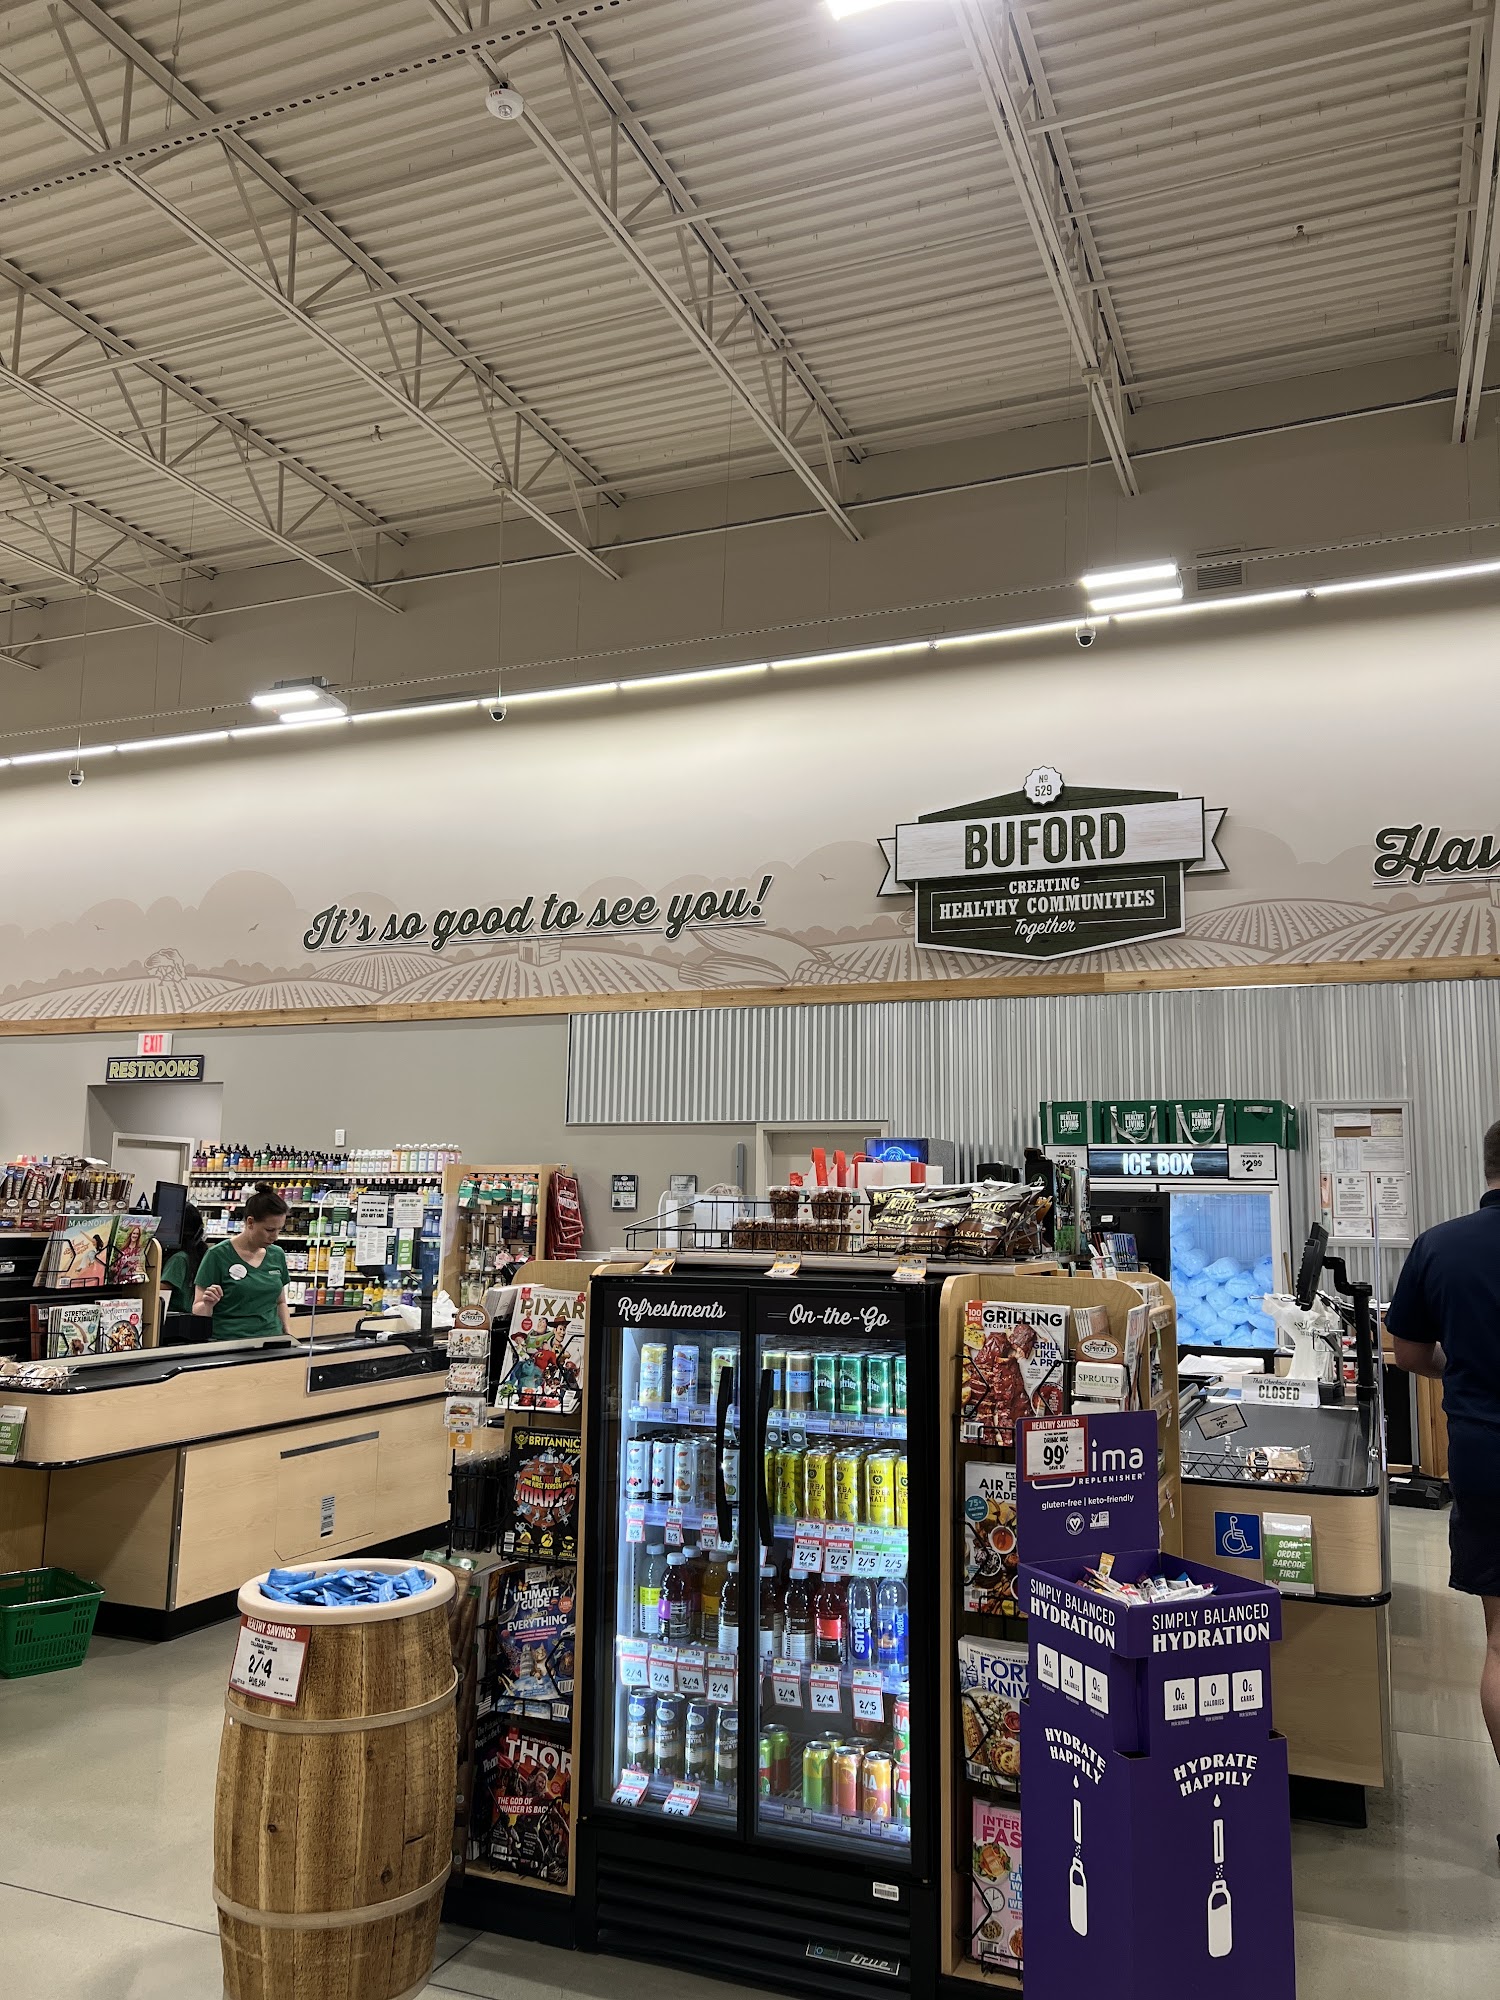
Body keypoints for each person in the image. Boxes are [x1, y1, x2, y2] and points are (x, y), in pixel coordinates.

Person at [1388, 1116, 1500, 1845]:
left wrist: (1456, 1366)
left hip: (1485, 1453)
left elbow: (1406, 1354)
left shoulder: (1441, 1245)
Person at [193, 1184, 292, 1341]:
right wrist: (207, 1304)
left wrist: (287, 1334)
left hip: (271, 1341)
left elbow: (280, 1302)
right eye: (270, 1230)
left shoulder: (277, 1255)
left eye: (279, 1230)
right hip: (228, 1342)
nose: (275, 1237)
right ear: (250, 1222)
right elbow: (197, 1309)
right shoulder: (217, 1255)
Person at [160, 1201, 208, 1317]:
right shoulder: (195, 1253)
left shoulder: (178, 1259)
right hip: (189, 1317)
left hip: (174, 1318)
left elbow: (161, 1291)